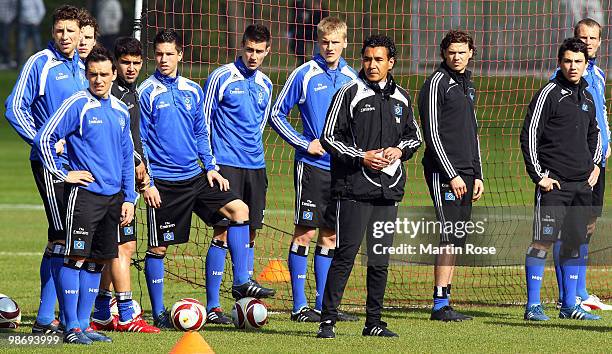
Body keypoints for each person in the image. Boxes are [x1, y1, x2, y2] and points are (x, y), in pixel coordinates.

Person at [139, 29, 273, 329]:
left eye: (169, 54)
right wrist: (147, 182)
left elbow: (201, 131)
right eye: (159, 54)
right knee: (159, 248)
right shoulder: (146, 91)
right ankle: (159, 312)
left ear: (180, 55)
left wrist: (210, 166)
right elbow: (141, 139)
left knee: (239, 212)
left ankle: (240, 281)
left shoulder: (192, 89)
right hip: (165, 182)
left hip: (197, 176)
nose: (164, 59)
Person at [316, 34, 421, 338]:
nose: (372, 65)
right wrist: (362, 157)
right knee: (345, 255)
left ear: (391, 62)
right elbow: (330, 138)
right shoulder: (349, 93)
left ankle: (373, 322)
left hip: (388, 192)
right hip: (353, 190)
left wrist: (399, 150)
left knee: (379, 259)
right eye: (367, 59)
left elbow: (414, 137)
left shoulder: (401, 97)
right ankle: (328, 321)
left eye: (378, 59)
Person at [34, 46, 136, 344]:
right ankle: (71, 327)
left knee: (97, 262)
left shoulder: (119, 111)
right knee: (75, 257)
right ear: (87, 75)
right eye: (93, 75)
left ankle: (84, 323)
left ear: (113, 75)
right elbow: (45, 137)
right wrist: (63, 174)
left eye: (104, 74)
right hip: (85, 197)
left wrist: (129, 197)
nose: (99, 80)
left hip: (113, 198)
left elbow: (127, 156)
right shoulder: (78, 104)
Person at [269, 16, 358, 323]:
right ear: (318, 42)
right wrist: (304, 143)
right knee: (305, 233)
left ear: (345, 43)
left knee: (331, 236)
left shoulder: (352, 77)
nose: (330, 47)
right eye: (325, 42)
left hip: (342, 169)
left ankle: (323, 307)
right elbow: (277, 114)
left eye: (335, 42)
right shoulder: (304, 74)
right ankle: (299, 307)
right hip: (312, 167)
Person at [4, 4, 86, 334]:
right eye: (59, 31)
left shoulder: (84, 68)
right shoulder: (41, 63)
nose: (65, 36)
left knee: (63, 237)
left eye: (71, 31)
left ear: (81, 33)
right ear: (52, 32)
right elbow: (14, 108)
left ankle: (51, 318)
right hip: (52, 165)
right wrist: (46, 142)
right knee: (64, 236)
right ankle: (55, 319)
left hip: (81, 168)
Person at [521, 37, 602, 321]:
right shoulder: (549, 93)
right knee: (542, 241)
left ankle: (569, 305)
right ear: (559, 62)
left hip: (582, 186)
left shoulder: (588, 97)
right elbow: (529, 134)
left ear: (585, 64)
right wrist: (539, 176)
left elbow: (596, 134)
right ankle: (532, 306)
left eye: (578, 62)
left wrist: (595, 165)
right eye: (567, 61)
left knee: (573, 242)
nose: (573, 66)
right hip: (554, 184)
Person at [202, 24, 276, 325]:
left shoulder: (267, 84)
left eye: (259, 51)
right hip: (225, 166)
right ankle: (213, 306)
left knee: (251, 231)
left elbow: (259, 126)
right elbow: (204, 120)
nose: (253, 56)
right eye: (249, 49)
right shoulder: (221, 77)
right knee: (222, 230)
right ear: (241, 46)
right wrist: (210, 163)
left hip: (255, 167)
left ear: (267, 51)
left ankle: (243, 296)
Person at [89, 37, 159, 333]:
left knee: (117, 248)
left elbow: (134, 137)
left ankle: (103, 310)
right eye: (125, 63)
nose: (131, 68)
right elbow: (119, 143)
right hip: (113, 185)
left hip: (128, 182)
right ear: (115, 66)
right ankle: (127, 314)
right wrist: (137, 165)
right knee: (122, 248)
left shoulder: (132, 93)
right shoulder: (111, 96)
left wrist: (143, 172)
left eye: (136, 63)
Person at [418, 29, 484, 322]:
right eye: (451, 52)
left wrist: (477, 174)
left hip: (468, 173)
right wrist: (452, 174)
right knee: (448, 234)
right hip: (445, 172)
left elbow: (473, 132)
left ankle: (447, 299)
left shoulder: (467, 84)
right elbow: (431, 133)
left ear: (471, 53)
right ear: (443, 54)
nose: (456, 57)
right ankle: (438, 302)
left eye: (462, 52)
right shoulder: (436, 83)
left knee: (457, 236)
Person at [552, 18, 612, 312]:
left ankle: (581, 290)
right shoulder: (565, 74)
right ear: (574, 38)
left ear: (600, 42)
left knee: (587, 225)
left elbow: (599, 113)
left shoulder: (598, 74)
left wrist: (606, 143)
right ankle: (568, 295)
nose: (587, 42)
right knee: (566, 229)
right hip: (574, 165)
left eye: (593, 38)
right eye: (582, 37)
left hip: (597, 163)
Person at [16, 0, 45, 65]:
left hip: (34, 24)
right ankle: (20, 64)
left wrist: (38, 21)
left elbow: (42, 10)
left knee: (38, 45)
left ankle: (41, 63)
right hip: (23, 24)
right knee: (21, 45)